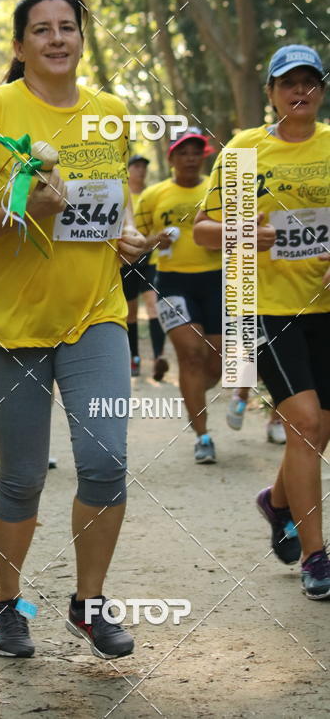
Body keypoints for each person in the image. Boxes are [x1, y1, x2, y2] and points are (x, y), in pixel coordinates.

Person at [0, 0, 145, 660]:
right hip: (11, 325)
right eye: (42, 29)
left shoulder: (112, 114)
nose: (57, 38)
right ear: (20, 44)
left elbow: (107, 211)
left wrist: (126, 235)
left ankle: (89, 604)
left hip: (96, 315)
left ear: (82, 39)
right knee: (23, 477)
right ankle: (9, 604)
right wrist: (22, 211)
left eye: (68, 27)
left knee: (106, 461)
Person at [195, 44, 330, 599]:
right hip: (266, 305)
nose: (300, 91)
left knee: (317, 429)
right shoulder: (245, 150)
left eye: (309, 81)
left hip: (325, 306)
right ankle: (316, 557)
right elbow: (203, 229)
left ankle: (277, 504)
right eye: (287, 83)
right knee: (305, 421)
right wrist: (244, 232)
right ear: (271, 93)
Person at [134, 129, 222, 464]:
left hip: (216, 281)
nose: (190, 158)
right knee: (190, 355)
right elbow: (136, 242)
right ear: (171, 158)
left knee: (215, 364)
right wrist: (153, 241)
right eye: (183, 153)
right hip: (172, 282)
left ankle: (193, 389)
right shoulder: (153, 196)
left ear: (204, 157)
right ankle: (203, 436)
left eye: (196, 152)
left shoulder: (216, 190)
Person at [120, 154, 167, 380]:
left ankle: (159, 358)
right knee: (130, 312)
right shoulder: (122, 194)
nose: (141, 170)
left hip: (150, 257)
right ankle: (134, 358)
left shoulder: (152, 195)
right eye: (136, 166)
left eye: (144, 167)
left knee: (153, 306)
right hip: (127, 259)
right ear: (127, 170)